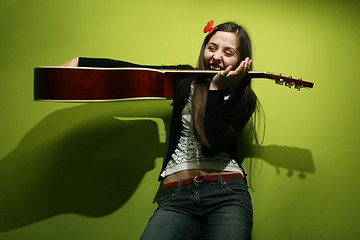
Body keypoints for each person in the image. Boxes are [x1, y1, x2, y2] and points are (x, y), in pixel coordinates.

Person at [64, 20, 259, 240]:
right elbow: (134, 72)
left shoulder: (244, 99)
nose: (216, 57)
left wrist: (215, 89)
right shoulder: (185, 79)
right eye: (211, 48)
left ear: (242, 61)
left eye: (228, 52)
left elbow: (213, 144)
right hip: (177, 196)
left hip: (228, 193)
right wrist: (81, 62)